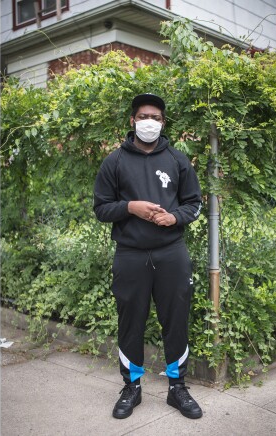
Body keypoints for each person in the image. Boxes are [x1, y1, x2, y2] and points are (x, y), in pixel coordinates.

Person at [93, 93, 204, 419]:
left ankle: (177, 388)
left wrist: (174, 217)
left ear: (163, 122)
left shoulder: (178, 160)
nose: (149, 122)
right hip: (130, 254)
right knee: (131, 321)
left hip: (171, 253)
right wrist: (130, 207)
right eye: (143, 116)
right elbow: (100, 208)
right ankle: (132, 388)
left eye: (155, 117)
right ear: (132, 121)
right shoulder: (114, 161)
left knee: (176, 320)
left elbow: (194, 203)